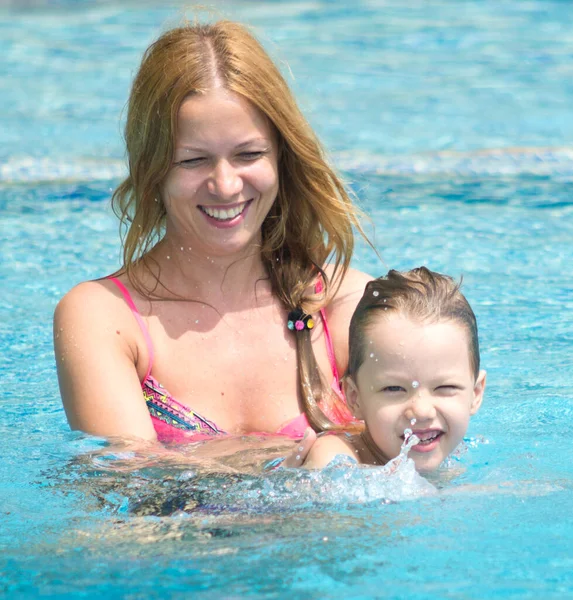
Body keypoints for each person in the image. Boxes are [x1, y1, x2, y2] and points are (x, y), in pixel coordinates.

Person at [53, 19, 372, 454]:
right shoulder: (105, 319)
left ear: (283, 156)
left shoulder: (344, 304)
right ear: (153, 170)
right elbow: (131, 492)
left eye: (248, 154)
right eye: (193, 161)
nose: (225, 185)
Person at [301, 267, 487, 472]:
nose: (422, 412)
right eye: (394, 389)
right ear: (354, 398)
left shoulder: (456, 456)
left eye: (445, 387)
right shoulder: (335, 458)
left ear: (476, 393)